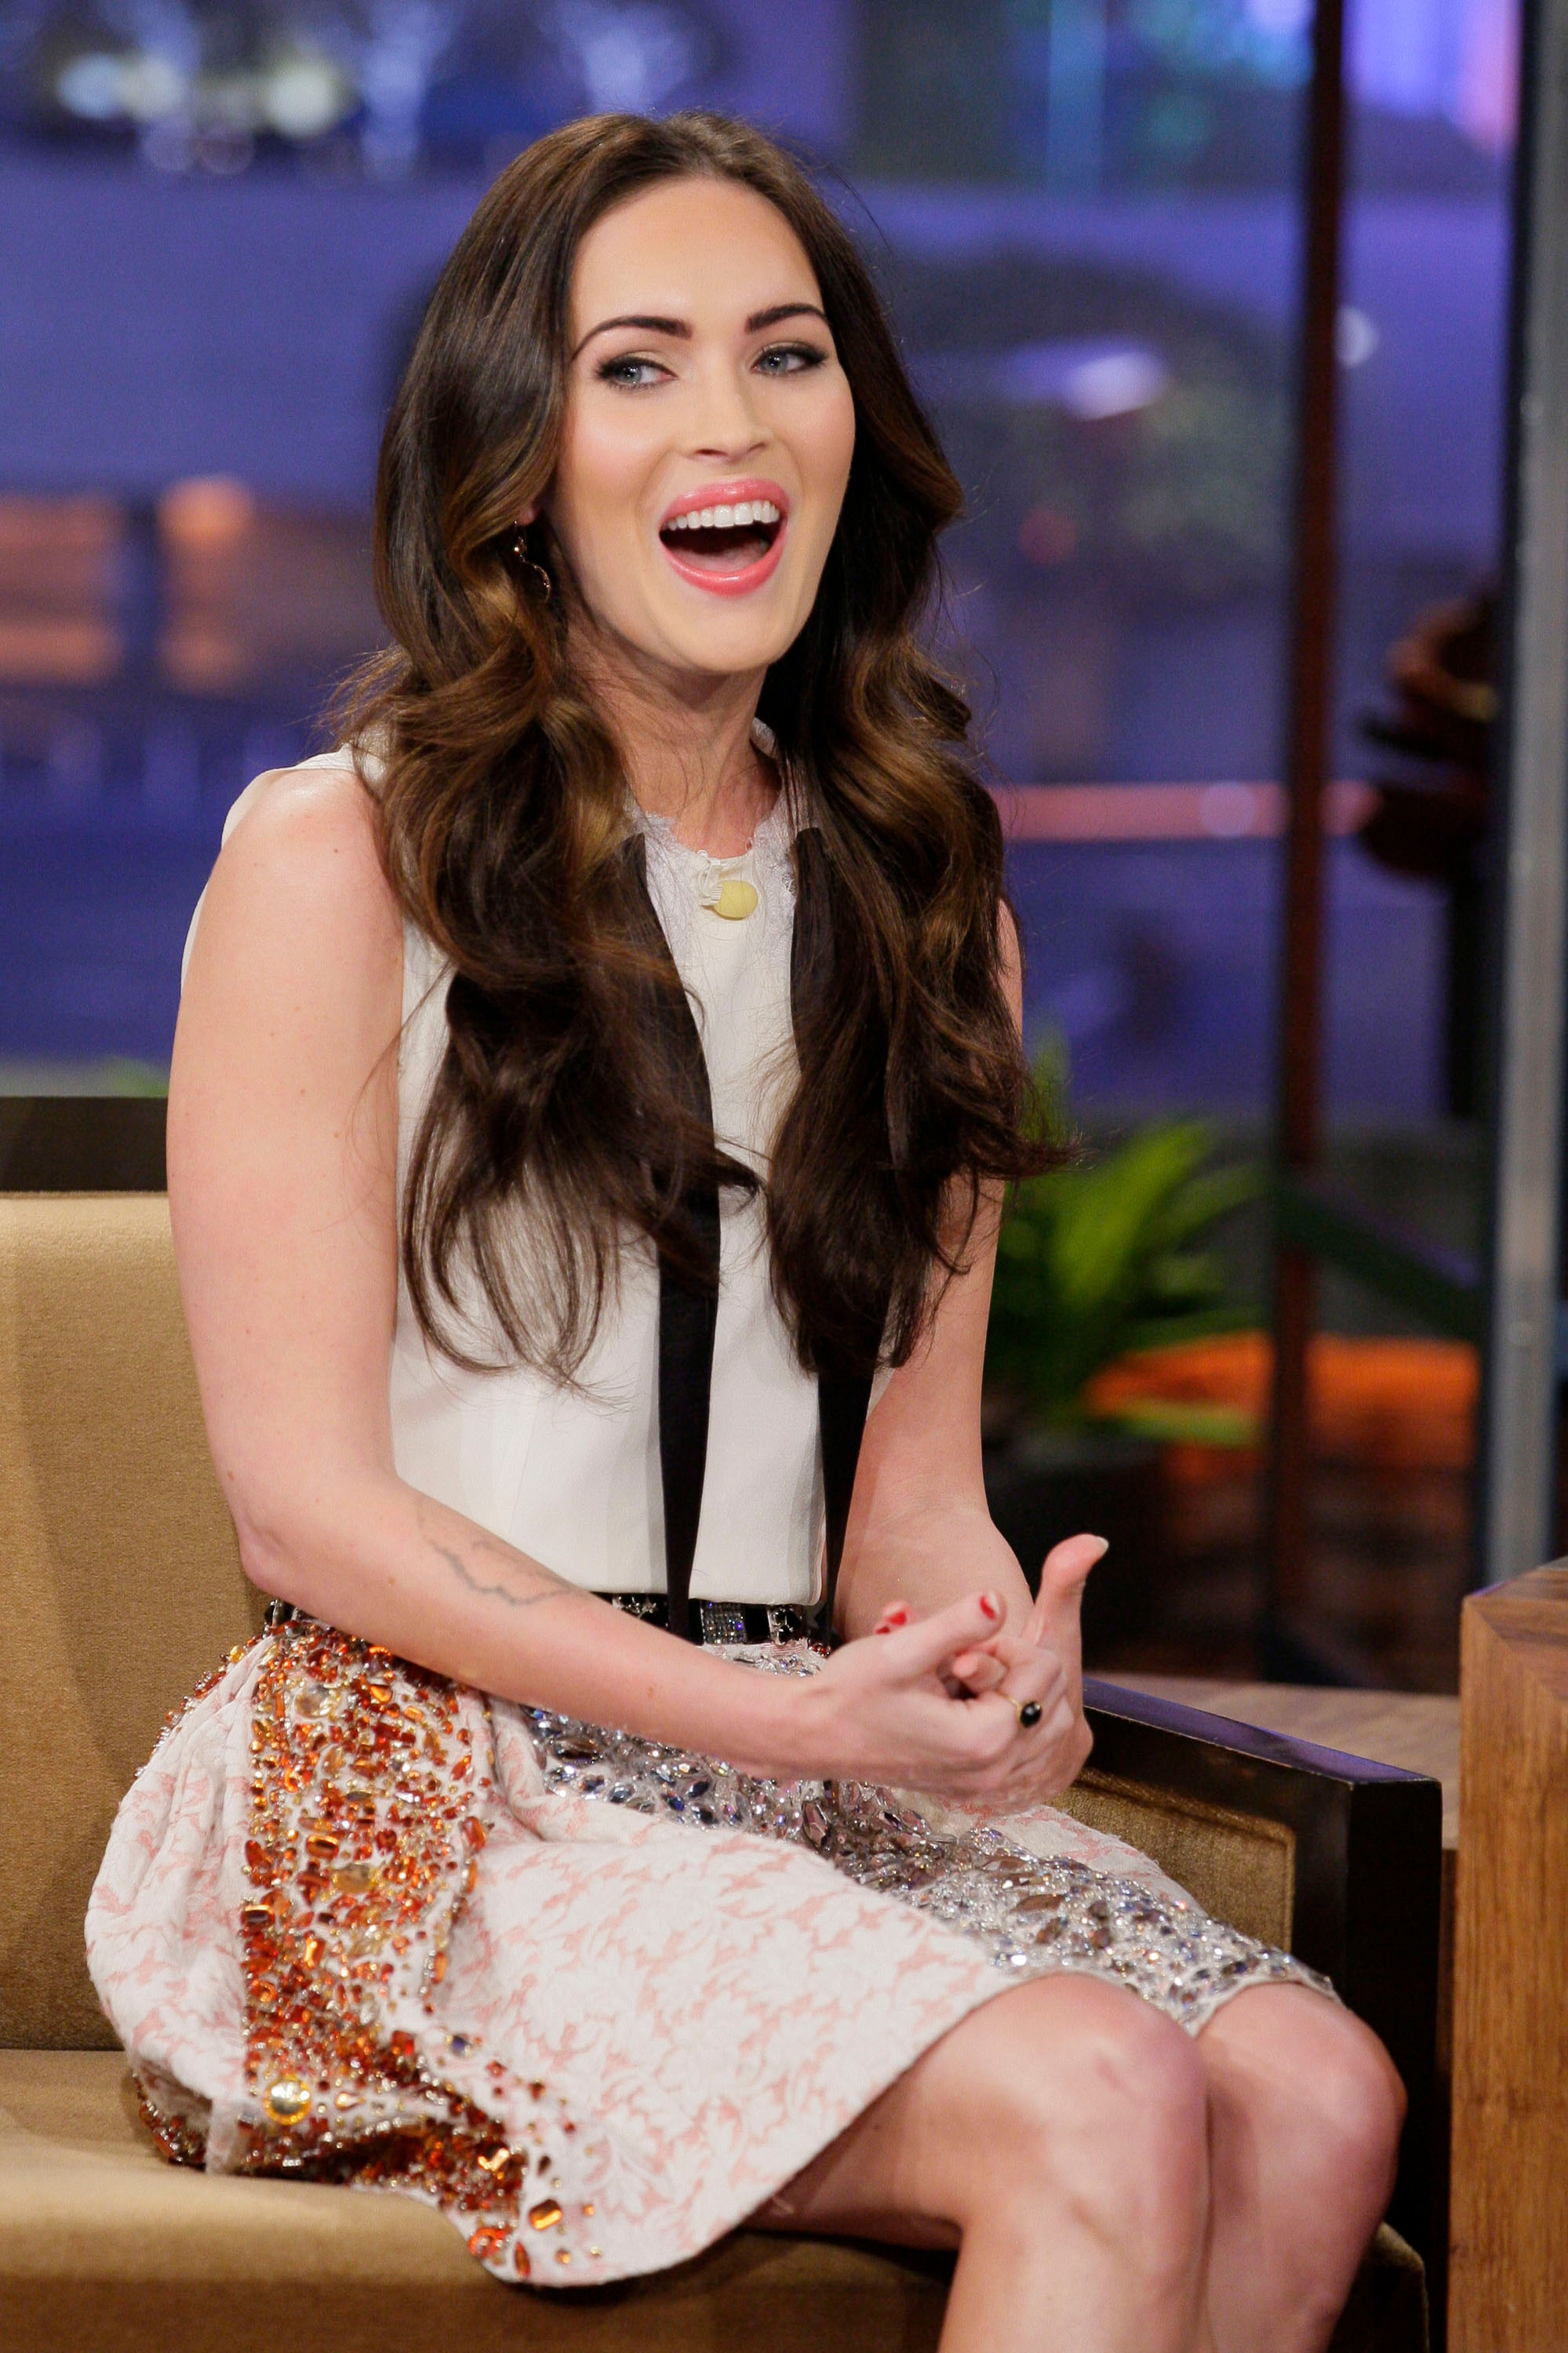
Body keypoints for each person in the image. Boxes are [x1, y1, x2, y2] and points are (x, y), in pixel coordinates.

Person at [87, 111, 1402, 2353]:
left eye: (784, 354)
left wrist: (982, 1670)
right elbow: (308, 1516)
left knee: (1313, 2095)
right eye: (637, 366)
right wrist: (776, 1726)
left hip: (785, 1770)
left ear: (851, 432)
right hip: (426, 1789)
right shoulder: (342, 856)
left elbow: (906, 1504)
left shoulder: (928, 901)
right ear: (519, 462)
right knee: (1096, 2092)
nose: (729, 420)